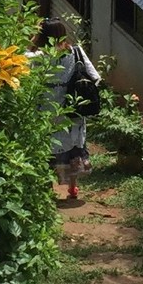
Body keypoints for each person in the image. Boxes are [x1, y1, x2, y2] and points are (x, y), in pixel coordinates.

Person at [33, 17, 100, 202]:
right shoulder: (75, 51)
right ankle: (72, 188)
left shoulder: (37, 57)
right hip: (72, 108)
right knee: (73, 147)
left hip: (46, 110)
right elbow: (95, 77)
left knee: (46, 151)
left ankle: (47, 190)